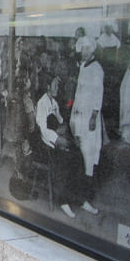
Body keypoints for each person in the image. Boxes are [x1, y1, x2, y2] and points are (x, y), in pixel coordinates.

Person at [35, 76, 98, 218]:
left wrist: (67, 134)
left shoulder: (54, 103)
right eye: (55, 86)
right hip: (48, 145)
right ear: (48, 87)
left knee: (78, 156)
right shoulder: (42, 104)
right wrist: (58, 140)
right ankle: (64, 201)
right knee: (67, 160)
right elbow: (43, 130)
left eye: (58, 86)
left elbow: (61, 121)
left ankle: (81, 199)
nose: (58, 88)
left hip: (59, 139)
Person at [70, 36, 104, 181]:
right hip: (80, 111)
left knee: (89, 147)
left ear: (91, 50)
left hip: (89, 113)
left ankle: (87, 178)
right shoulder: (84, 66)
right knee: (80, 143)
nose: (84, 52)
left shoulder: (96, 69)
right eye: (82, 49)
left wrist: (94, 116)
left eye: (86, 49)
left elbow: (98, 93)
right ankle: (79, 176)